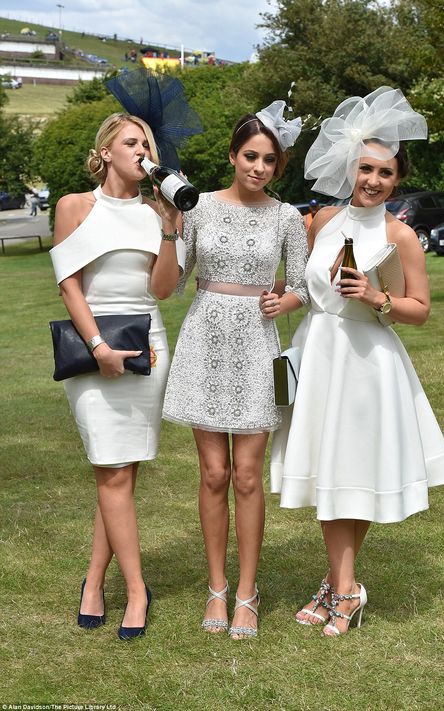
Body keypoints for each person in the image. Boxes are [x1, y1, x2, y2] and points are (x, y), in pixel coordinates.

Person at [271, 87, 444, 636]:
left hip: (369, 361)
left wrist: (377, 299)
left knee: (356, 470)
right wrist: (285, 299)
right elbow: (306, 287)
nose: (374, 180)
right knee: (332, 468)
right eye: (366, 169)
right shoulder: (320, 221)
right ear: (350, 169)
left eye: (386, 173)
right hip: (320, 353)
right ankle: (343, 584)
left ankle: (343, 588)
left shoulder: (401, 235)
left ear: (397, 180)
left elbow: (420, 310)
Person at [163, 100, 308, 639]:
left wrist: (286, 303)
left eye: (269, 161)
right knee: (213, 474)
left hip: (257, 345)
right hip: (205, 338)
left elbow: (303, 284)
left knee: (248, 476)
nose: (259, 168)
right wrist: (169, 227)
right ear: (232, 155)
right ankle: (216, 588)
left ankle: (247, 592)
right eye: (251, 156)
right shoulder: (197, 209)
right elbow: (172, 284)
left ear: (278, 166)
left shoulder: (287, 216)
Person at [49, 112, 185, 640]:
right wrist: (99, 347)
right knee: (110, 468)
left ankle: (96, 582)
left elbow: (164, 290)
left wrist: (171, 226)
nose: (141, 150)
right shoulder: (74, 206)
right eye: (131, 142)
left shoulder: (157, 212)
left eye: (147, 143)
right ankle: (135, 589)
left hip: (147, 344)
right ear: (106, 151)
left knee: (121, 474)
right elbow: (69, 285)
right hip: (93, 347)